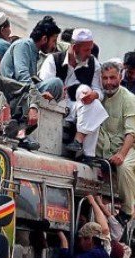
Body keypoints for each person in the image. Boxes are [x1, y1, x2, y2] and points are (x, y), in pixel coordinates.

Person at [39, 28, 108, 161]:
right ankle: (87, 151)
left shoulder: (94, 64)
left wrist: (94, 95)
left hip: (79, 107)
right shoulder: (53, 60)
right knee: (87, 96)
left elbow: (99, 91)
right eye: (86, 50)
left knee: (93, 101)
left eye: (90, 49)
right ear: (75, 47)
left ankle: (81, 145)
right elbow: (45, 87)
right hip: (55, 106)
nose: (89, 53)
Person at [96, 61, 135, 224]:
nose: (108, 82)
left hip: (127, 147)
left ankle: (127, 211)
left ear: (120, 77)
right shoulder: (100, 96)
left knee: (124, 167)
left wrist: (121, 154)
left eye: (112, 77)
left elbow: (132, 132)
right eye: (105, 78)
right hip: (104, 146)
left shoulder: (128, 99)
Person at [0, 47, 41, 147]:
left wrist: (33, 108)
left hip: (0, 120)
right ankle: (5, 130)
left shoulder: (1, 81)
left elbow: (30, 88)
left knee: (25, 96)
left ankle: (20, 134)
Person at [0, 15, 63, 100]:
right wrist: (37, 94)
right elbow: (22, 77)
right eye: (54, 41)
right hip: (13, 95)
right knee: (56, 83)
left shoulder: (33, 50)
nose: (54, 46)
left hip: (22, 92)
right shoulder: (23, 45)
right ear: (44, 39)